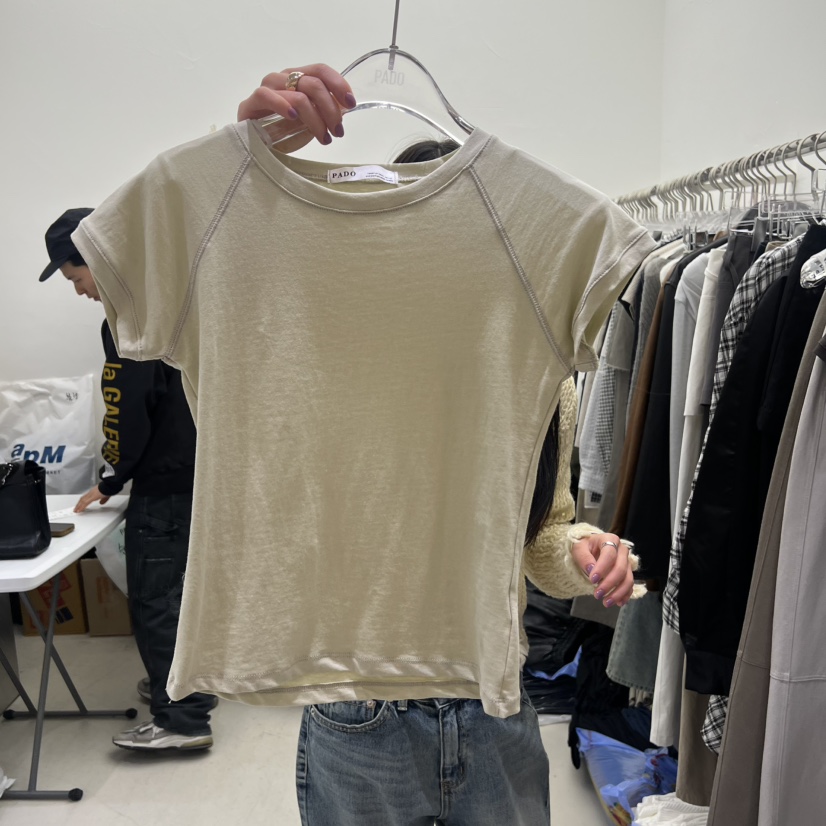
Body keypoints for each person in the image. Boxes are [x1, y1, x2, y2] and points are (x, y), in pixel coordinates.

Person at [229, 66, 642, 824]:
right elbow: (243, 318)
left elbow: (539, 536)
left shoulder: (538, 378)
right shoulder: (332, 365)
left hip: (495, 699)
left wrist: (585, 551)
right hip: (360, 708)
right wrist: (239, 158)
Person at [39, 209, 216, 752]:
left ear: (95, 258)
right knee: (185, 593)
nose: (79, 291)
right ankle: (187, 689)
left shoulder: (126, 318)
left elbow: (126, 411)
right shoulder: (175, 297)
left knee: (156, 597)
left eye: (76, 277)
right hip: (201, 470)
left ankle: (181, 720)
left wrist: (112, 478)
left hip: (164, 480)